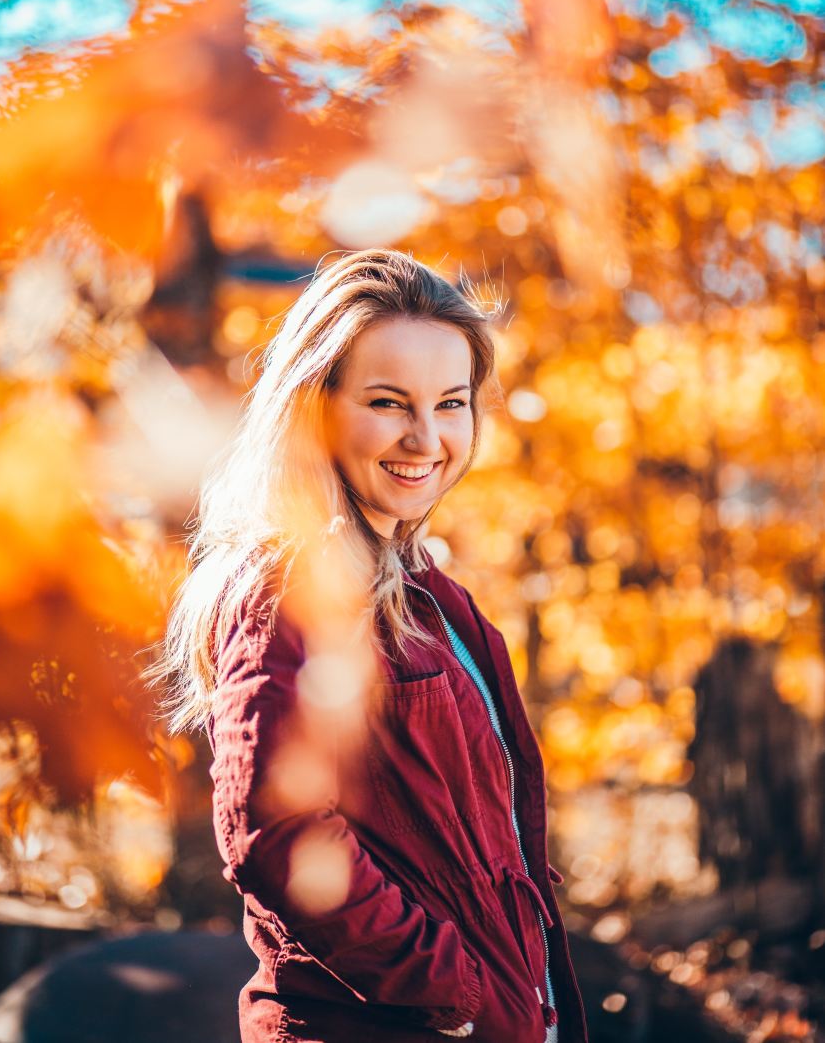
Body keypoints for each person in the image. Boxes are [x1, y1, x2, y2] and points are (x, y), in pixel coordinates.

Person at [153, 248, 588, 1043]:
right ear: (316, 406)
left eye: (451, 403)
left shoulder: (428, 591)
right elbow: (273, 831)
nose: (427, 438)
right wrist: (456, 992)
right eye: (390, 402)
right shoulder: (290, 582)